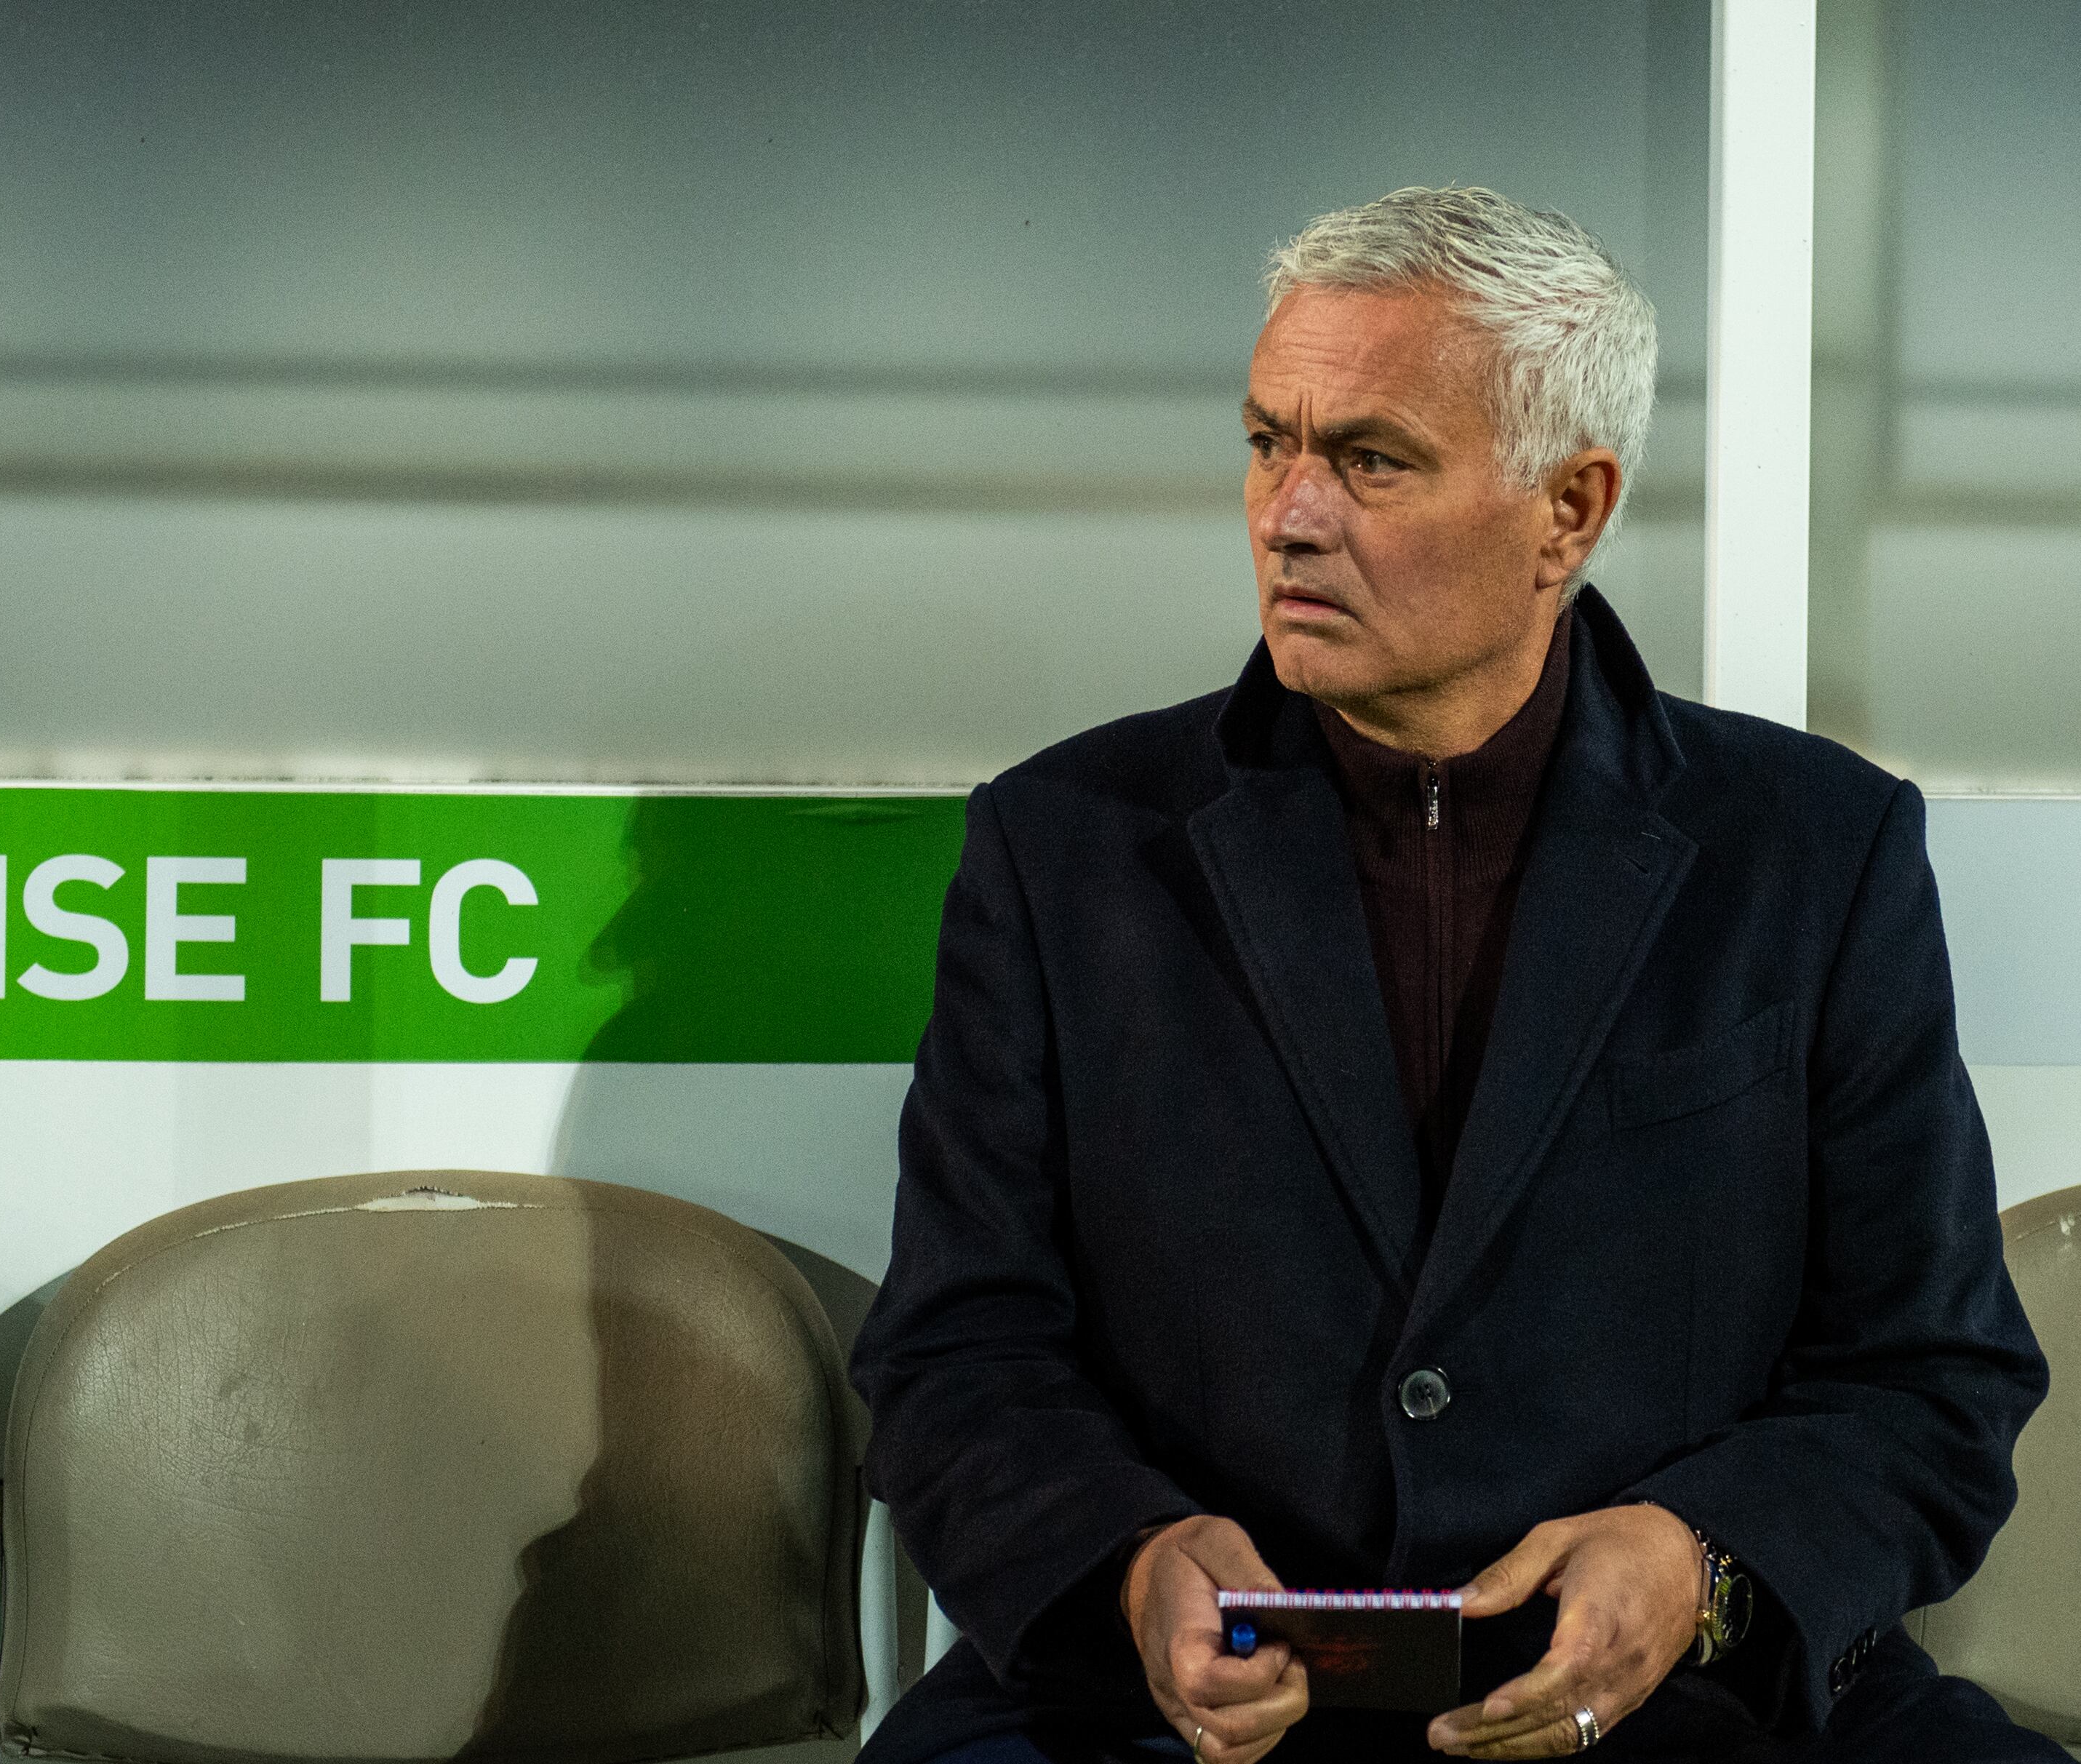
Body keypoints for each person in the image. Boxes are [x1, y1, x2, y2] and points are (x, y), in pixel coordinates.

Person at [850, 187, 2055, 1763]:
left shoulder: (1814, 854)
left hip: (1666, 1708)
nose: (1286, 512)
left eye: (1367, 459)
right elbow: (955, 1354)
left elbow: (1930, 1374)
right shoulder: (1062, 848)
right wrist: (1130, 1561)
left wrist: (1697, 1564)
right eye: (1267, 441)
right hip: (1175, 1717)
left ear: (1568, 509)